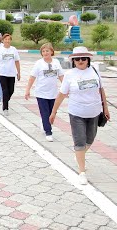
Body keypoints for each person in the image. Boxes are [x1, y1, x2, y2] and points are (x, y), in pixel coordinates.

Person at [50, 47, 110, 185]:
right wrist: (54, 112)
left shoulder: (94, 70)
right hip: (76, 113)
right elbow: (61, 94)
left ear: (88, 60)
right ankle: (82, 172)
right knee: (80, 141)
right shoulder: (70, 74)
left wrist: (105, 108)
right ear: (73, 61)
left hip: (94, 112)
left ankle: (79, 155)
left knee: (90, 140)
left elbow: (101, 90)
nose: (81, 61)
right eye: (77, 59)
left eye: (83, 58)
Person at [25, 43, 64, 142]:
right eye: (43, 51)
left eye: (47, 51)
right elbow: (32, 77)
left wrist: (66, 88)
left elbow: (61, 76)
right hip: (41, 93)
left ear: (51, 51)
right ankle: (48, 132)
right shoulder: (39, 63)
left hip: (53, 93)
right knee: (45, 112)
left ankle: (44, 123)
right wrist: (27, 90)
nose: (45, 53)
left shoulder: (56, 62)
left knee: (51, 113)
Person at [0, 34, 20, 116]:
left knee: (11, 90)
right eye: (6, 39)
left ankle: (5, 101)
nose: (7, 41)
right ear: (3, 40)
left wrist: (19, 72)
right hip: (2, 73)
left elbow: (17, 61)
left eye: (9, 39)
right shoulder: (0, 50)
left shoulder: (13, 49)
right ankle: (5, 108)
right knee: (5, 90)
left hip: (11, 73)